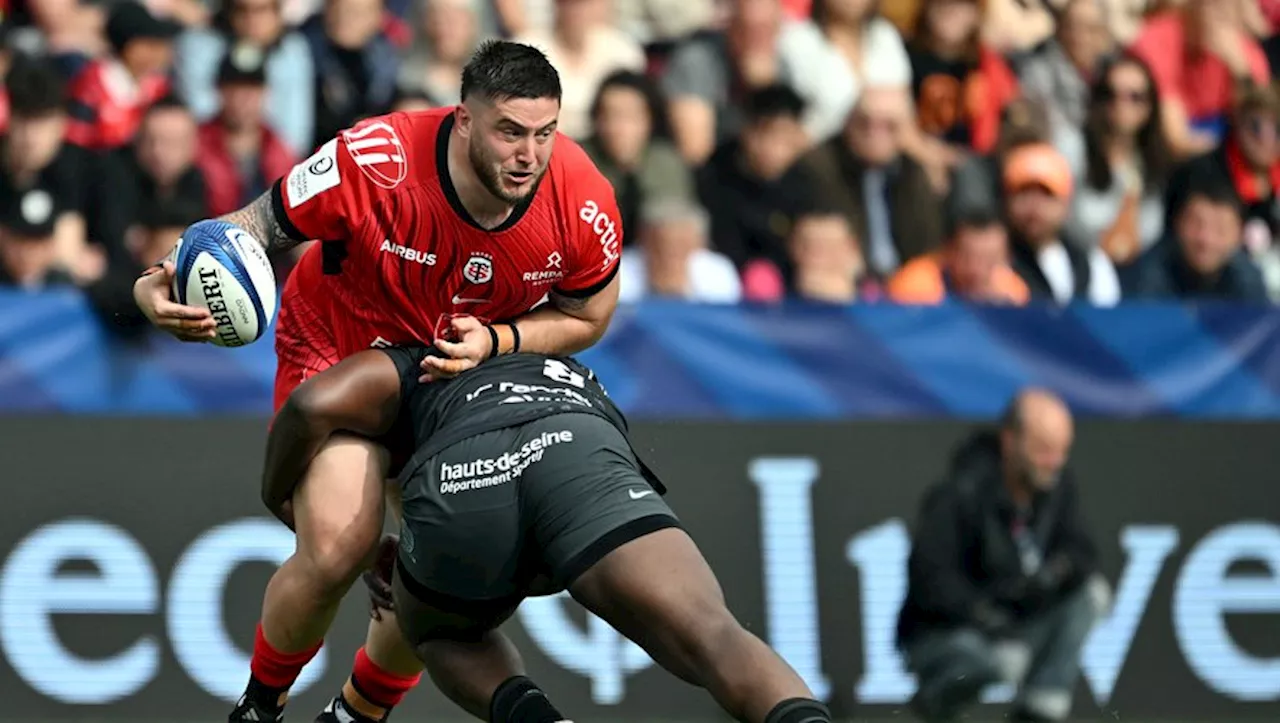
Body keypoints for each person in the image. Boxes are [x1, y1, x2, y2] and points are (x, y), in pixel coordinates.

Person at [131, 40, 625, 723]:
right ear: (463, 120)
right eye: (510, 131)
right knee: (339, 548)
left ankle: (356, 714)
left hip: (455, 375)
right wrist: (159, 276)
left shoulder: (581, 198)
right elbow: (249, 225)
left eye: (544, 133)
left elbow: (591, 311)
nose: (529, 156)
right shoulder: (374, 160)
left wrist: (503, 339)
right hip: (338, 351)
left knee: (438, 576)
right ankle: (259, 706)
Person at [265, 346, 835, 723]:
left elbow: (312, 403)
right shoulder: (565, 353)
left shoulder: (416, 352)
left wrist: (279, 498)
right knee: (710, 633)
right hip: (576, 447)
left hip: (467, 475)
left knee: (437, 633)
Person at [897, 389, 1105, 723]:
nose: (1054, 462)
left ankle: (1040, 711)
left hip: (1017, 623)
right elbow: (931, 581)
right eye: (1043, 450)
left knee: (1091, 595)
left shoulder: (1056, 485)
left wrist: (1051, 576)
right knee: (1007, 658)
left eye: (1061, 451)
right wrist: (986, 613)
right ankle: (935, 704)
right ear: (1010, 441)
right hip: (949, 634)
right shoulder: (961, 492)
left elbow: (1083, 551)